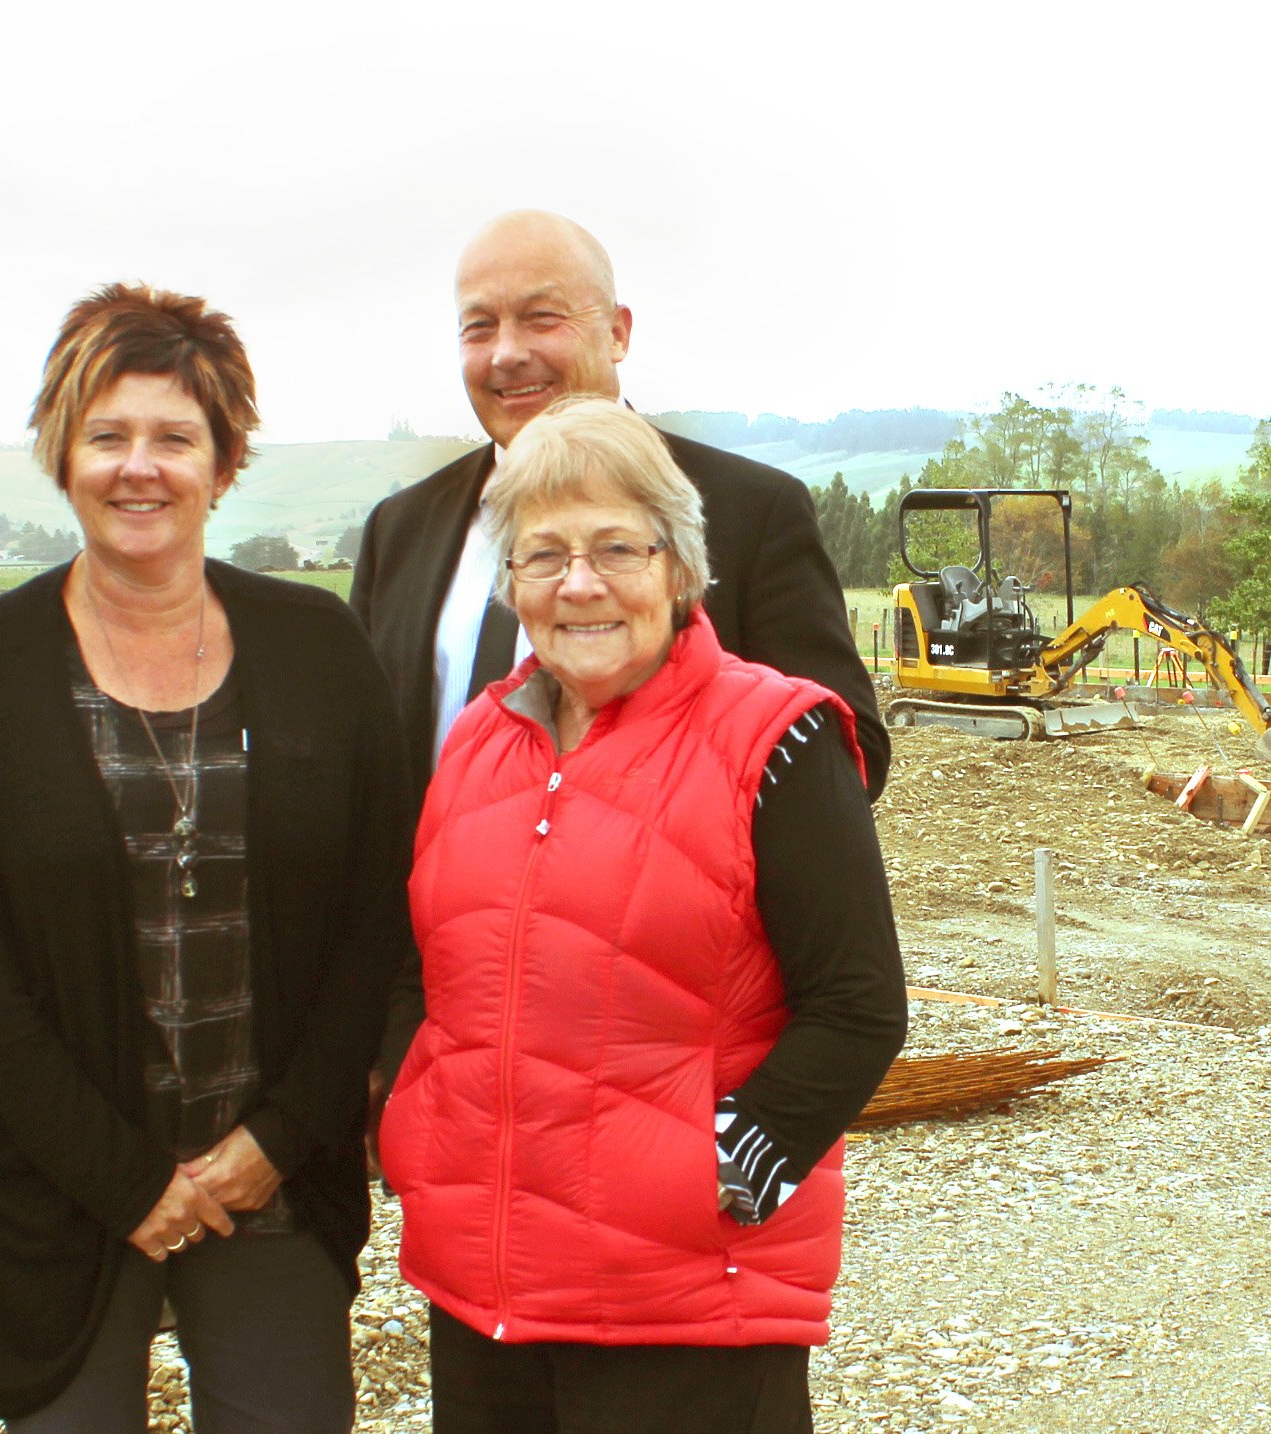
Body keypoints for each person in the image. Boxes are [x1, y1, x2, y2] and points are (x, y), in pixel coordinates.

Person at [0, 282, 413, 1430]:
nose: (142, 467)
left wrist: (276, 1142)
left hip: (268, 1187)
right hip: (61, 1191)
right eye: (107, 435)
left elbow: (375, 919)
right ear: (60, 454)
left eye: (177, 437)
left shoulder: (319, 647)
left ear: (224, 463)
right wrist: (127, 1182)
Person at [378, 396, 906, 1434]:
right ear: (512, 584)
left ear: (679, 567)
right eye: (544, 555)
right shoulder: (477, 746)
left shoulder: (778, 739)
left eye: (617, 547)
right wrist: (416, 1129)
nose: (580, 584)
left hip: (685, 1313)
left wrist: (719, 1178)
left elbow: (857, 1007)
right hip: (484, 1306)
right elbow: (421, 971)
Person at [347, 210, 886, 803]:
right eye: (478, 327)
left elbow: (846, 750)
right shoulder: (398, 531)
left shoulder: (752, 512)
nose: (506, 353)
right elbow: (363, 764)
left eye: (541, 318)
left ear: (618, 333)